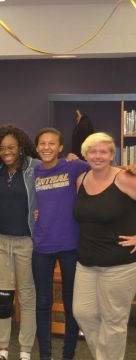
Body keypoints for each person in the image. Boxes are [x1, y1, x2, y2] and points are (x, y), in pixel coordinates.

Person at [72, 132, 136, 360]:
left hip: (119, 264)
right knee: (83, 313)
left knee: (114, 321)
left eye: (103, 151)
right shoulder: (81, 180)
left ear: (112, 155)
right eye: (92, 151)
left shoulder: (125, 178)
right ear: (85, 154)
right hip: (86, 263)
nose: (97, 156)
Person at [0, 124, 40, 360]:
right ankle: (3, 348)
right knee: (3, 297)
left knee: (27, 297)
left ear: (20, 148)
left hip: (25, 243)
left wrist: (69, 158)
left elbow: (59, 171)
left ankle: (25, 349)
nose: (6, 151)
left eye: (11, 147)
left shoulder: (34, 168)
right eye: (2, 148)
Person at [31, 128, 88, 360]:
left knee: (70, 303)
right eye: (42, 143)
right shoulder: (33, 172)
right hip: (42, 246)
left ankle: (68, 355)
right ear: (36, 148)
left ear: (61, 147)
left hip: (70, 246)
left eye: (52, 143)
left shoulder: (73, 166)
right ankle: (46, 355)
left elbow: (103, 167)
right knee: (43, 302)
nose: (46, 147)